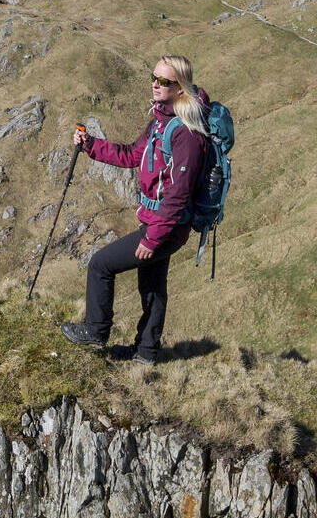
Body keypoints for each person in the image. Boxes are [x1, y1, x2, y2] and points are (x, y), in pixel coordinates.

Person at [60, 55, 213, 366]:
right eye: (153, 78)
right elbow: (132, 155)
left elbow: (178, 193)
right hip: (162, 224)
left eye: (164, 81)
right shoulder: (161, 122)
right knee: (153, 287)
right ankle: (146, 353)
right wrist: (90, 145)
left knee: (101, 265)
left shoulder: (186, 133)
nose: (155, 85)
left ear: (180, 88)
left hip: (166, 227)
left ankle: (96, 330)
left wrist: (152, 237)